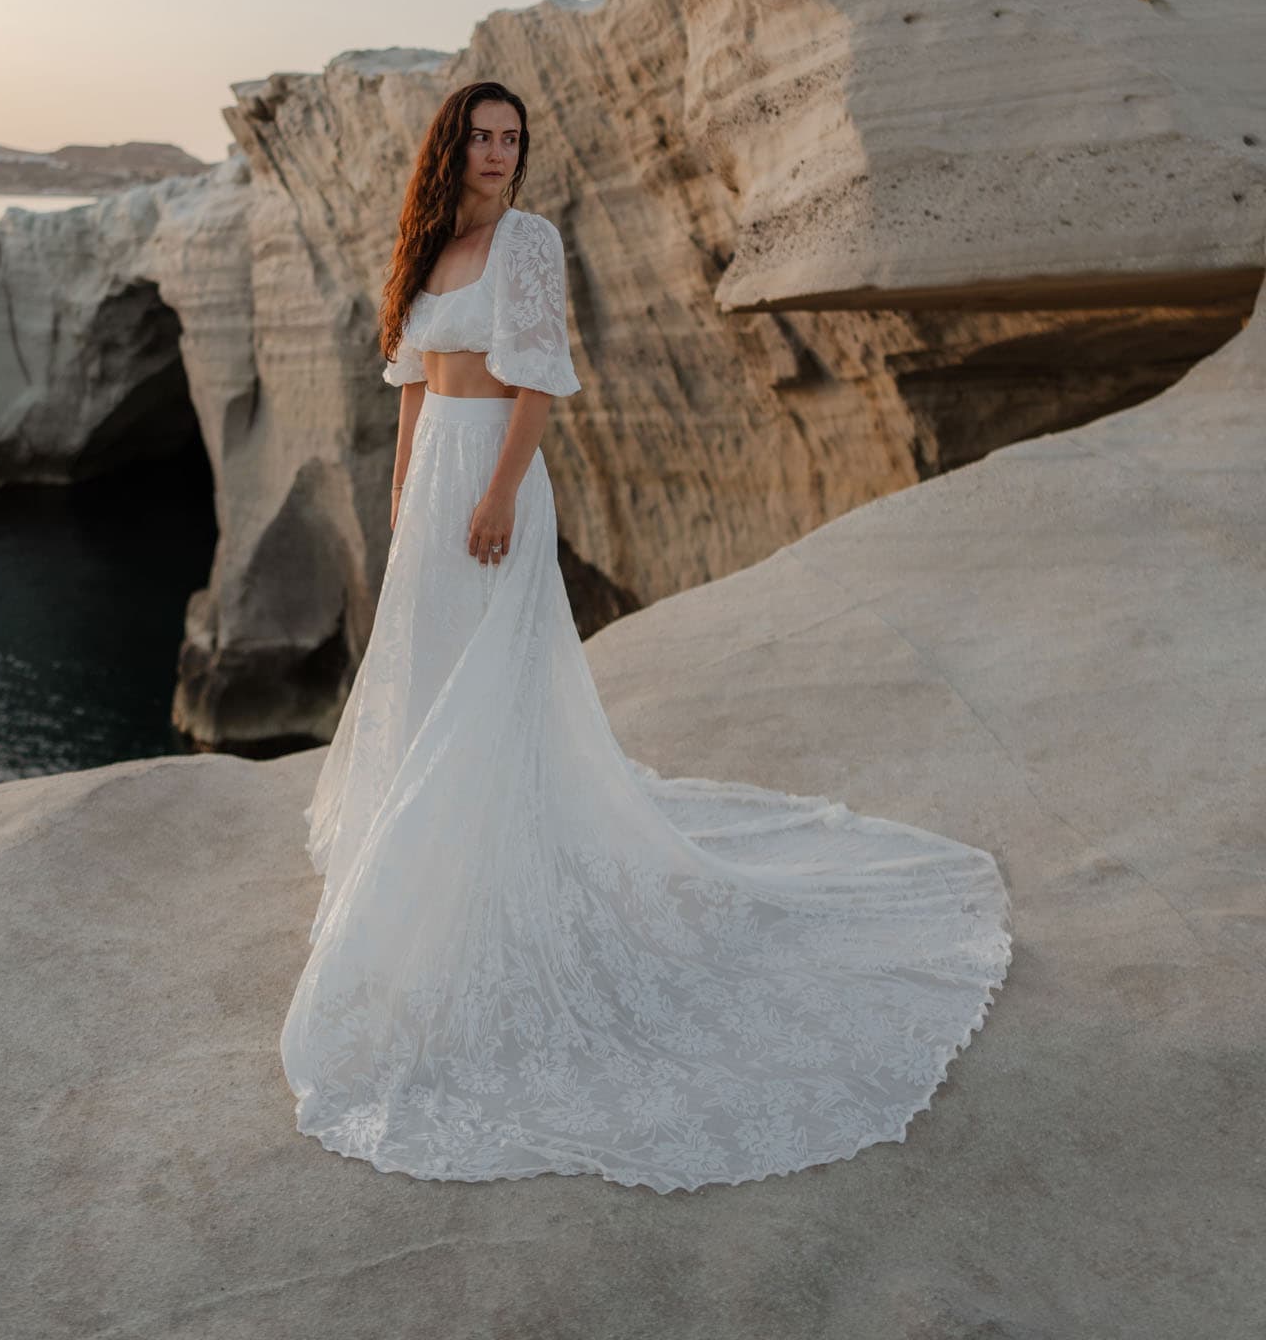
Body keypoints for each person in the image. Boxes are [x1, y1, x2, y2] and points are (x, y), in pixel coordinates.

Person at [279, 79, 1012, 1191]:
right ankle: (422, 874)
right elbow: (412, 389)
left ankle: (494, 886)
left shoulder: (529, 244)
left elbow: (536, 384)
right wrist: (401, 501)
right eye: (479, 138)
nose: (495, 154)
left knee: (495, 687)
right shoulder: (424, 250)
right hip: (432, 488)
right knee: (429, 683)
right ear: (448, 149)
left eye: (510, 140)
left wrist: (496, 499)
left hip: (495, 482)